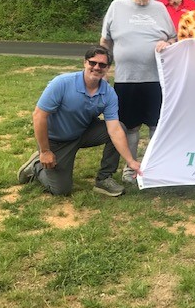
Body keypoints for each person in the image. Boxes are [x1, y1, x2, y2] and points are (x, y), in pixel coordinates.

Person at [17, 46, 141, 197]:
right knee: (61, 190)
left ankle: (104, 179)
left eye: (102, 65)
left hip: (82, 133)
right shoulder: (62, 83)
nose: (96, 67)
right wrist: (45, 151)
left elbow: (114, 130)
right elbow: (38, 116)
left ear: (108, 68)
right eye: (92, 63)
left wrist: (131, 161)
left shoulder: (108, 93)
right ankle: (36, 166)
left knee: (120, 127)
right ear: (85, 62)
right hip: (56, 140)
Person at [100, 0, 177, 185]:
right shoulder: (117, 6)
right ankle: (130, 168)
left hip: (156, 80)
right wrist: (104, 69)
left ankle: (156, 165)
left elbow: (174, 38)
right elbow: (105, 42)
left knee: (156, 124)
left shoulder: (160, 9)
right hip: (126, 80)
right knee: (129, 125)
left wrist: (167, 43)